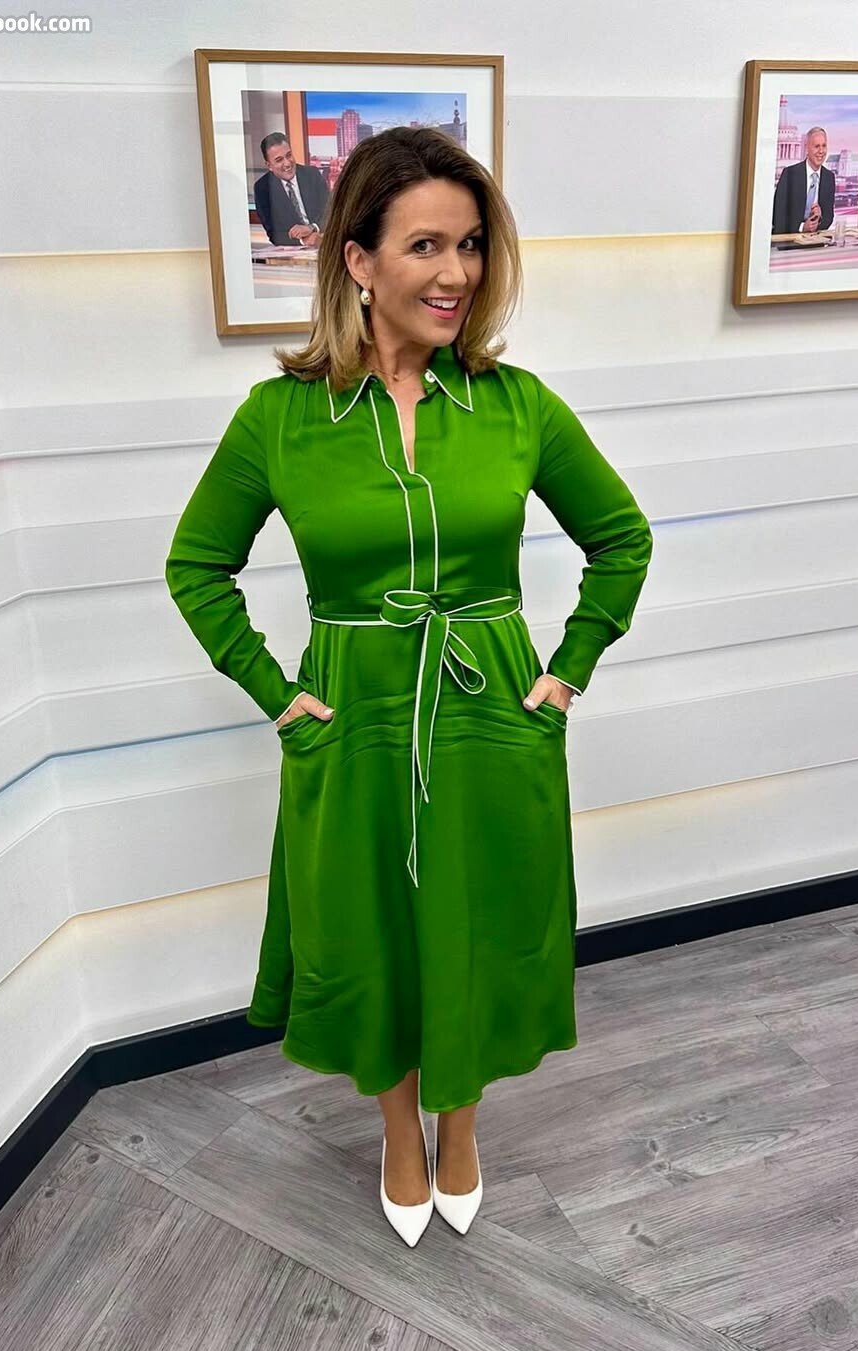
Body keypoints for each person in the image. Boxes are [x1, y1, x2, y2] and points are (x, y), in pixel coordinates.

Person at [165, 127, 653, 1248]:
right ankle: (398, 1130)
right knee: (368, 932)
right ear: (358, 259)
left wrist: (567, 672)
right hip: (354, 720)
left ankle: (461, 1123)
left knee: (480, 923)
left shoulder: (518, 407)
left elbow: (621, 538)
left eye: (470, 245)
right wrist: (275, 692)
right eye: (425, 245)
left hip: (490, 716)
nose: (455, 273)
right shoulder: (281, 419)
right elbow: (197, 564)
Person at [253, 132, 330, 247]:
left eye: (289, 155)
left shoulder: (312, 175)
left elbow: (330, 212)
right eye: (279, 160)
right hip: (293, 249)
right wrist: (304, 241)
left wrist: (313, 227)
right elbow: (274, 234)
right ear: (269, 166)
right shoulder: (263, 188)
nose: (287, 163)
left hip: (324, 241)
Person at [771, 126, 835, 237]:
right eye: (817, 146)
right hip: (788, 241)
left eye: (824, 146)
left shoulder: (829, 177)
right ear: (806, 148)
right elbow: (777, 216)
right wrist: (802, 227)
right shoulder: (790, 174)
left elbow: (829, 217)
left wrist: (819, 219)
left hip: (815, 241)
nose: (821, 151)